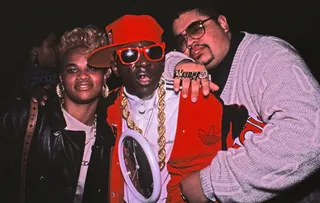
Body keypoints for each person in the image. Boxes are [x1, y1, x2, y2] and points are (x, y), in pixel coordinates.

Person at [87, 14, 266, 203]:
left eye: (153, 52)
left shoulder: (198, 99)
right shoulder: (106, 109)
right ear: (115, 66)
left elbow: (259, 148)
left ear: (162, 60)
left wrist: (211, 184)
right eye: (130, 54)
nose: (143, 62)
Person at [168, 1, 320, 202]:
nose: (189, 43)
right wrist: (179, 62)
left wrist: (209, 184)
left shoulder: (268, 55)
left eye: (196, 29)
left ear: (223, 24)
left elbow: (310, 134)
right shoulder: (196, 71)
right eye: (181, 40)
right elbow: (155, 67)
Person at [0, 26, 115, 203]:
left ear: (106, 74)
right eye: (72, 70)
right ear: (61, 78)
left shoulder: (109, 137)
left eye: (92, 69)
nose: (82, 76)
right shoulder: (28, 118)